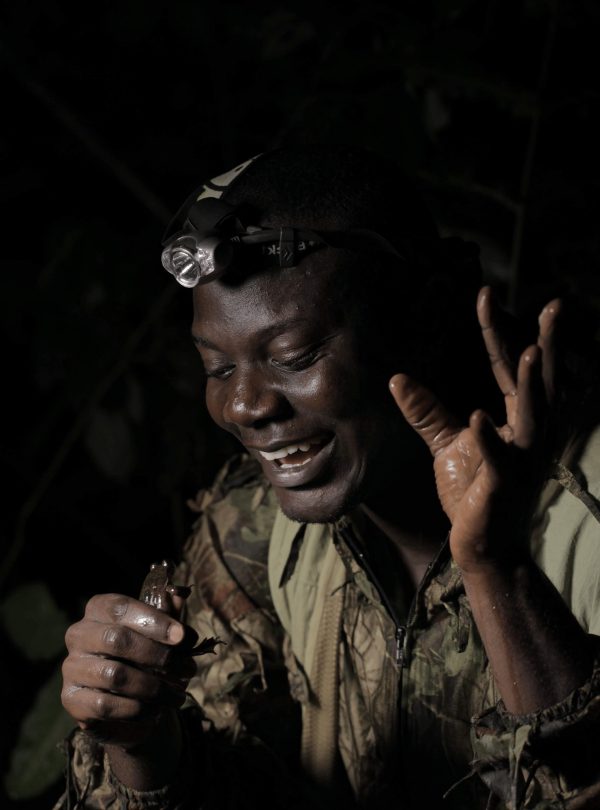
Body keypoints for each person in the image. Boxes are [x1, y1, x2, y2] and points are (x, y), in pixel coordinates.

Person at [58, 145, 600, 809]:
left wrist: (498, 571)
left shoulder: (588, 514)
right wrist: (138, 742)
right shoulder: (256, 531)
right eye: (218, 368)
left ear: (423, 314)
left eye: (296, 355)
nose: (245, 407)